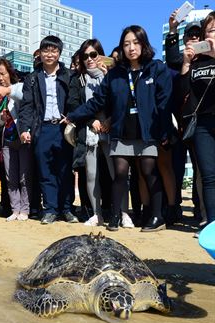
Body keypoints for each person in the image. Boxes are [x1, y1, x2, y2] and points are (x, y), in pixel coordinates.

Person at [66, 25, 173, 232]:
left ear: (143, 44)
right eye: (126, 44)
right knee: (120, 173)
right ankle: (114, 216)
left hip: (146, 131)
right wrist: (72, 115)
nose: (131, 48)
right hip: (121, 132)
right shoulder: (115, 74)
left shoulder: (156, 68)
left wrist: (164, 131)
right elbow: (97, 101)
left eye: (135, 42)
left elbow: (164, 102)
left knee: (149, 172)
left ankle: (158, 216)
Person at [67, 39, 134, 228]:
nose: (89, 59)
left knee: (118, 174)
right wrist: (91, 121)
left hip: (111, 129)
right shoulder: (78, 79)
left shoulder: (114, 76)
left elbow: (122, 102)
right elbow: (74, 105)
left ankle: (123, 213)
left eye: (93, 55)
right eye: (85, 56)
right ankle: (97, 214)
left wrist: (109, 120)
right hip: (89, 131)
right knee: (91, 174)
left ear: (101, 55)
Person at [19, 35, 78, 224]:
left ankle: (67, 209)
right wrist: (24, 129)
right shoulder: (33, 78)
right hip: (42, 129)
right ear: (40, 53)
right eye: (46, 50)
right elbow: (27, 106)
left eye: (54, 50)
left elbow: (75, 101)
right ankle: (51, 209)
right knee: (45, 172)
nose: (50, 54)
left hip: (63, 129)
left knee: (65, 170)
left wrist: (71, 117)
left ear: (60, 53)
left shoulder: (68, 75)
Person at [179, 11, 215, 236]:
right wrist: (185, 64)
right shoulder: (197, 62)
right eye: (211, 30)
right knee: (210, 177)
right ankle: (212, 228)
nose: (214, 34)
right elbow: (184, 96)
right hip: (202, 124)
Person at [0, 57, 31, 222]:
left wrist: (9, 91)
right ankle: (15, 209)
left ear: (10, 73)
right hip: (6, 139)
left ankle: (25, 209)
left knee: (24, 176)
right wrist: (1, 118)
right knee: (10, 176)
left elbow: (23, 96)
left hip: (22, 137)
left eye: (3, 74)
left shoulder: (19, 87)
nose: (0, 78)